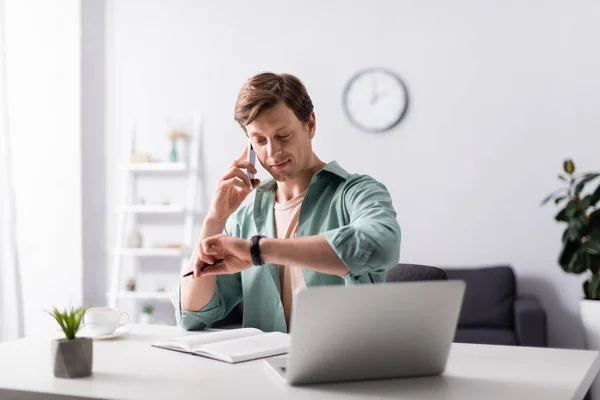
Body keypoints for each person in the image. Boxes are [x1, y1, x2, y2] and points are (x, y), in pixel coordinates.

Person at [172, 72, 401, 333]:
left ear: (310, 125)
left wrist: (258, 251)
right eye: (259, 140)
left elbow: (381, 245)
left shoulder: (357, 192)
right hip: (264, 368)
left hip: (343, 366)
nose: (272, 152)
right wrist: (214, 220)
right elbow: (190, 315)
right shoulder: (245, 218)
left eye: (283, 135)